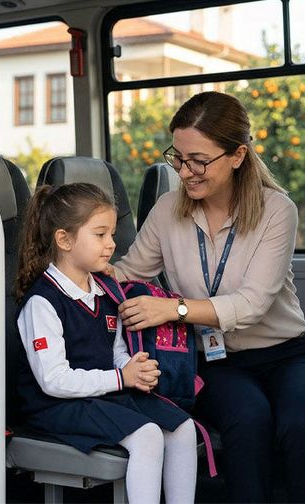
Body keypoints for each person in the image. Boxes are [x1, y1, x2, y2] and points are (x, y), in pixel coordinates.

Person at [112, 91, 305, 502]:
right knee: (248, 419)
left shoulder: (277, 210)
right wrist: (75, 265)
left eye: (199, 160)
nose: (185, 171)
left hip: (288, 353)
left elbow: (252, 304)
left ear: (237, 156)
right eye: (178, 158)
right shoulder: (166, 211)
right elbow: (127, 273)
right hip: (218, 361)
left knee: (301, 425)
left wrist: (174, 309)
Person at [15, 182, 198, 503]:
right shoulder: (43, 302)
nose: (111, 244)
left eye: (112, 235)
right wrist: (119, 378)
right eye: (100, 235)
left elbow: (116, 351)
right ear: (64, 239)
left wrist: (132, 369)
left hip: (100, 393)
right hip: (55, 405)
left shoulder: (106, 291)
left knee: (183, 428)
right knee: (148, 436)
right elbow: (53, 380)